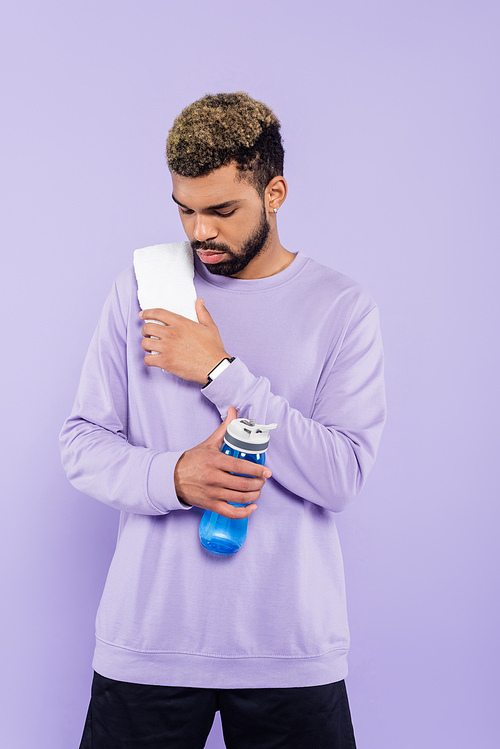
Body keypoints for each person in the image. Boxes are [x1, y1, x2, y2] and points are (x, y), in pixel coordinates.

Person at [60, 91, 386, 749]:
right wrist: (177, 475)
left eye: (220, 210)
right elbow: (82, 444)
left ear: (275, 192)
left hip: (290, 650)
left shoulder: (341, 306)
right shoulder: (147, 283)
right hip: (148, 643)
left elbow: (342, 477)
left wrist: (221, 372)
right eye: (184, 208)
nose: (198, 231)